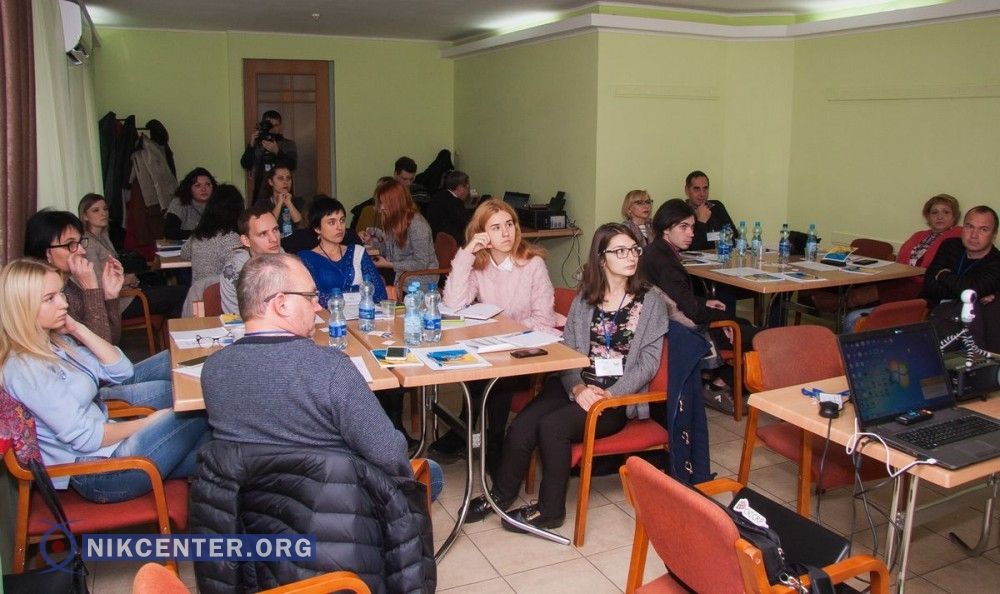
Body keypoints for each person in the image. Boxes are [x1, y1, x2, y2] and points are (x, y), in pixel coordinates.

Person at [465, 223, 668, 530]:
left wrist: (609, 394)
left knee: (552, 427)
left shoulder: (650, 301)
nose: (631, 257)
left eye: (634, 249)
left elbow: (648, 364)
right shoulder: (585, 298)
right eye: (620, 251)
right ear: (601, 258)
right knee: (522, 424)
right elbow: (568, 351)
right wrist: (577, 388)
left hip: (614, 397)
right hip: (574, 383)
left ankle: (550, 511)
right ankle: (500, 497)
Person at [200, 252, 442, 498]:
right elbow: (388, 453)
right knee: (431, 472)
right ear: (281, 304)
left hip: (248, 504)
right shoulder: (331, 368)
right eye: (310, 297)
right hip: (333, 504)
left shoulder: (213, 369)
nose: (318, 306)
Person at [0, 259, 208, 502]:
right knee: (202, 405)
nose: (64, 303)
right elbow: (86, 438)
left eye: (61, 294)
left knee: (220, 450)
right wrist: (147, 423)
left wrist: (78, 329)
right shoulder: (26, 368)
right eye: (50, 298)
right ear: (22, 307)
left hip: (109, 451)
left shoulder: (54, 343)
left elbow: (121, 370)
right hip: (99, 473)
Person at [434, 198, 563, 463]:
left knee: (497, 375)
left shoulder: (532, 264)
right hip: (495, 344)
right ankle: (470, 431)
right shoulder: (479, 265)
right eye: (496, 227)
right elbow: (454, 304)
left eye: (509, 224)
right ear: (482, 234)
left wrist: (506, 331)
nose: (506, 233)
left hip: (530, 345)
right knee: (474, 367)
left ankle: (491, 441)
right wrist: (467, 253)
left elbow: (543, 320)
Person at [24, 210, 174, 410]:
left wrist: (110, 297)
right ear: (47, 253)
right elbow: (97, 356)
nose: (80, 251)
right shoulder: (46, 299)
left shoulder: (69, 286)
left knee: (172, 360)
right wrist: (92, 289)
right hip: (93, 391)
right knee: (174, 390)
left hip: (107, 374)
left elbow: (110, 342)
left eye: (80, 242)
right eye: (70, 245)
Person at [641, 198, 756, 414]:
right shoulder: (667, 265)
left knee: (742, 322)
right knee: (760, 335)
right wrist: (721, 320)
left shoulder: (655, 251)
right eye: (683, 227)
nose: (691, 233)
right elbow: (692, 312)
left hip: (670, 323)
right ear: (666, 229)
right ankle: (719, 384)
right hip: (682, 329)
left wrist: (706, 302)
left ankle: (716, 381)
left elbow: (680, 297)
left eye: (692, 227)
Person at [843, 194, 962, 330]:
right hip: (900, 279)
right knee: (856, 293)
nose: (939, 217)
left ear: (954, 217)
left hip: (922, 288)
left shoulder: (957, 238)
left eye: (946, 212)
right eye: (934, 212)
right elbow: (902, 261)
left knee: (856, 304)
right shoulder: (919, 235)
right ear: (928, 217)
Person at [79, 193, 185, 321]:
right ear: (85, 216)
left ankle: (169, 331)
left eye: (105, 209)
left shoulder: (103, 236)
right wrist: (126, 280)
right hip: (116, 304)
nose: (103, 213)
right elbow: (96, 284)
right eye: (96, 210)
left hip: (126, 294)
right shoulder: (88, 244)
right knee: (181, 293)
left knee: (175, 290)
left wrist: (128, 279)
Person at [924, 205, 1000, 351]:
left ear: (994, 234)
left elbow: (970, 291)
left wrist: (944, 276)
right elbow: (929, 286)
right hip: (932, 314)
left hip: (969, 327)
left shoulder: (996, 262)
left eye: (983, 229)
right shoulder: (950, 246)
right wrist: (968, 293)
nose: (974, 235)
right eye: (969, 227)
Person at [299, 196, 388, 308]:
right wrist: (355, 292)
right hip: (328, 316)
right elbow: (311, 298)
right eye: (332, 222)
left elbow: (380, 295)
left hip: (362, 314)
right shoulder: (306, 258)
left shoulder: (357, 252)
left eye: (342, 220)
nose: (339, 227)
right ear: (317, 228)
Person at [361, 178, 437, 288]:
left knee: (373, 281)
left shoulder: (418, 226)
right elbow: (389, 250)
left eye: (384, 203)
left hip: (419, 277)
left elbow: (421, 263)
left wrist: (389, 264)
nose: (381, 208)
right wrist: (371, 242)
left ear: (396, 203)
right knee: (366, 273)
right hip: (400, 270)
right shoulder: (393, 220)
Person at [219, 205, 282, 315]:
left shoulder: (288, 260)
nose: (274, 239)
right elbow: (236, 318)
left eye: (275, 230)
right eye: (263, 234)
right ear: (246, 241)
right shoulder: (233, 272)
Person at [181, 184, 246, 285]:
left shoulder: (200, 233)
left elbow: (184, 253)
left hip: (198, 292)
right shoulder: (230, 238)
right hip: (217, 293)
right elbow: (236, 276)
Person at [240, 109, 298, 204]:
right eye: (269, 125)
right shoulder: (257, 143)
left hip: (284, 195)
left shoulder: (288, 144)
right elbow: (245, 164)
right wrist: (251, 145)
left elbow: (292, 166)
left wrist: (277, 151)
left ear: (281, 126)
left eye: (276, 125)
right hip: (260, 195)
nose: (272, 129)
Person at [350, 156, 417, 231]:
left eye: (411, 179)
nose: (408, 183)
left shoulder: (417, 196)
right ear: (395, 174)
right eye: (404, 179)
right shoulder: (367, 209)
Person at [684, 170, 737, 252]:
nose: (702, 194)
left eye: (705, 188)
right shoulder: (681, 212)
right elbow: (689, 249)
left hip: (721, 254)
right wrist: (701, 222)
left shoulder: (717, 206)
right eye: (696, 189)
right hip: (696, 259)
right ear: (687, 190)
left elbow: (734, 237)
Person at [164, 167, 216, 240]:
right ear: (189, 188)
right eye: (198, 185)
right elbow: (170, 232)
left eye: (207, 184)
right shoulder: (180, 202)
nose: (203, 189)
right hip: (185, 245)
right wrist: (201, 234)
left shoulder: (219, 203)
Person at [251, 164, 305, 234]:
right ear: (271, 182)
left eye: (288, 178)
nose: (285, 182)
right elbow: (267, 225)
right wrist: (279, 204)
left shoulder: (298, 201)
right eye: (280, 178)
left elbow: (301, 224)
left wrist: (289, 203)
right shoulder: (262, 204)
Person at [425, 170, 472, 243]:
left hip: (435, 240)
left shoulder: (437, 196)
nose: (468, 191)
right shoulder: (456, 202)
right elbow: (466, 223)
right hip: (452, 242)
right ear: (460, 187)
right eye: (467, 187)